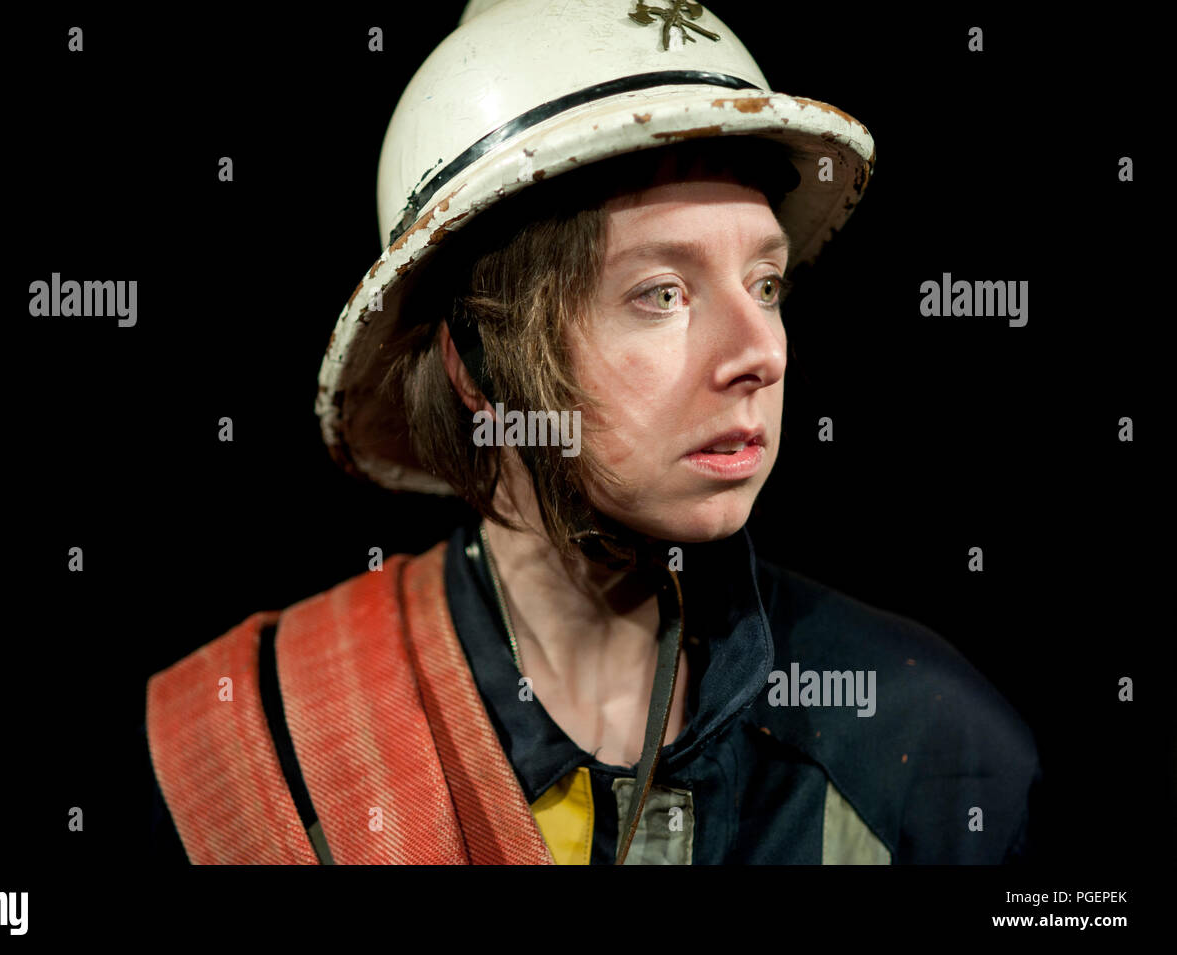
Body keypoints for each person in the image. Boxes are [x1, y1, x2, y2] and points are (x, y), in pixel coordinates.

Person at [145, 0, 1040, 865]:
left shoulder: (934, 746)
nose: (760, 350)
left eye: (765, 283)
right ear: (475, 364)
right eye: (662, 293)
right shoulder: (260, 746)